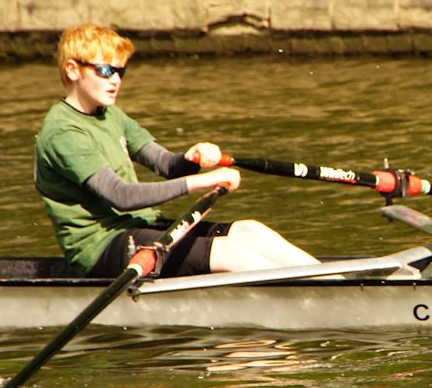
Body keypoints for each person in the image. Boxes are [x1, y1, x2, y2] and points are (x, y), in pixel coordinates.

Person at [35, 23, 319, 278]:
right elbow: (120, 196)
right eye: (106, 70)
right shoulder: (63, 132)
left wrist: (191, 158)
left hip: (140, 227)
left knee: (250, 231)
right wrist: (203, 181)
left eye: (121, 71)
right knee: (231, 253)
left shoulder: (110, 115)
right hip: (103, 247)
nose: (116, 80)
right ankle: (321, 300)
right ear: (73, 69)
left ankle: (343, 285)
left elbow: (165, 163)